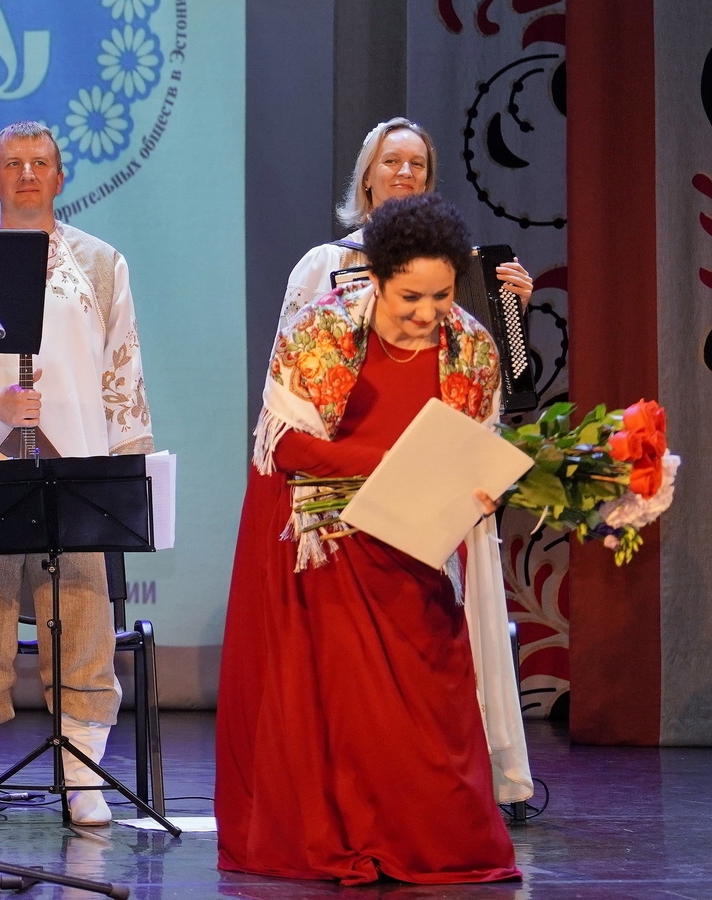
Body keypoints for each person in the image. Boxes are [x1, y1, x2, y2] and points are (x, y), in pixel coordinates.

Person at [215, 194, 529, 885]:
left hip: (420, 544)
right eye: (410, 297)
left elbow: (476, 446)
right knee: (352, 713)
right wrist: (385, 467)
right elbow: (284, 444)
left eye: (440, 296)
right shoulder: (321, 329)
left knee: (432, 704)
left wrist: (480, 485)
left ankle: (432, 842)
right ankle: (351, 836)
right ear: (378, 279)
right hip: (335, 540)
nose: (426, 313)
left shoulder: (472, 345)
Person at [0, 121, 153, 826]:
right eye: (13, 163)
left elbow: (122, 372)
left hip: (77, 468)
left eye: (40, 162)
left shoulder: (102, 263)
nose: (27, 173)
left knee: (81, 618)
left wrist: (128, 473)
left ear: (60, 176)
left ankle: (82, 775)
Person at [278, 117, 534, 332]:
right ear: (367, 178)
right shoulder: (326, 262)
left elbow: (475, 360)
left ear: (425, 182)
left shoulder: (452, 264)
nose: (405, 172)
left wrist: (508, 310)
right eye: (391, 161)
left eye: (417, 164)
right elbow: (289, 363)